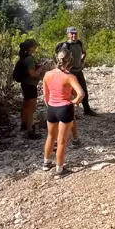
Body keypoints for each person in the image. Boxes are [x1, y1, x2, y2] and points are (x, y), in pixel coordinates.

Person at [42, 47, 86, 177]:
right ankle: (59, 170)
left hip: (51, 108)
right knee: (61, 141)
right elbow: (81, 93)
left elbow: (45, 96)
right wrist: (74, 102)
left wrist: (51, 104)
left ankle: (46, 163)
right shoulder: (70, 77)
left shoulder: (47, 74)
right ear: (69, 60)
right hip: (65, 108)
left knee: (50, 136)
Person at [14, 38, 47, 140]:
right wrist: (41, 69)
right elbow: (32, 73)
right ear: (31, 47)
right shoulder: (29, 59)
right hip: (30, 85)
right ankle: (30, 130)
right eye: (35, 46)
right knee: (31, 107)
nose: (36, 48)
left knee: (25, 104)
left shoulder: (23, 57)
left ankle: (24, 124)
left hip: (25, 84)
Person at [60, 27, 96, 116]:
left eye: (75, 33)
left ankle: (87, 110)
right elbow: (61, 58)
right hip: (70, 72)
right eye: (71, 33)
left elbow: (84, 52)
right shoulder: (66, 46)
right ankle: (70, 112)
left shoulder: (79, 43)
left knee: (84, 91)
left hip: (79, 71)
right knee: (70, 92)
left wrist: (81, 61)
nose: (73, 35)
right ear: (68, 34)